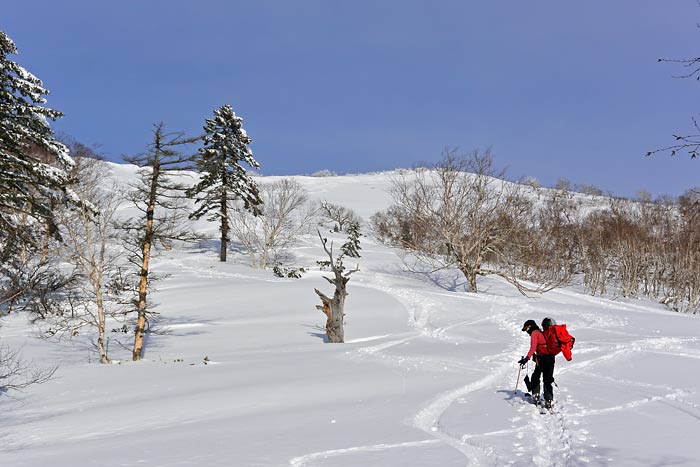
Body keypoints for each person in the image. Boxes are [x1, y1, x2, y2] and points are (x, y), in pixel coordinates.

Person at [517, 318, 556, 409]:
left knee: (535, 376)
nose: (526, 331)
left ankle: (536, 395)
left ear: (530, 326)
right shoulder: (542, 332)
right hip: (551, 358)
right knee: (547, 379)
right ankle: (548, 400)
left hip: (542, 358)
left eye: (526, 329)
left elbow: (533, 347)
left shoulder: (534, 333)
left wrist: (527, 358)